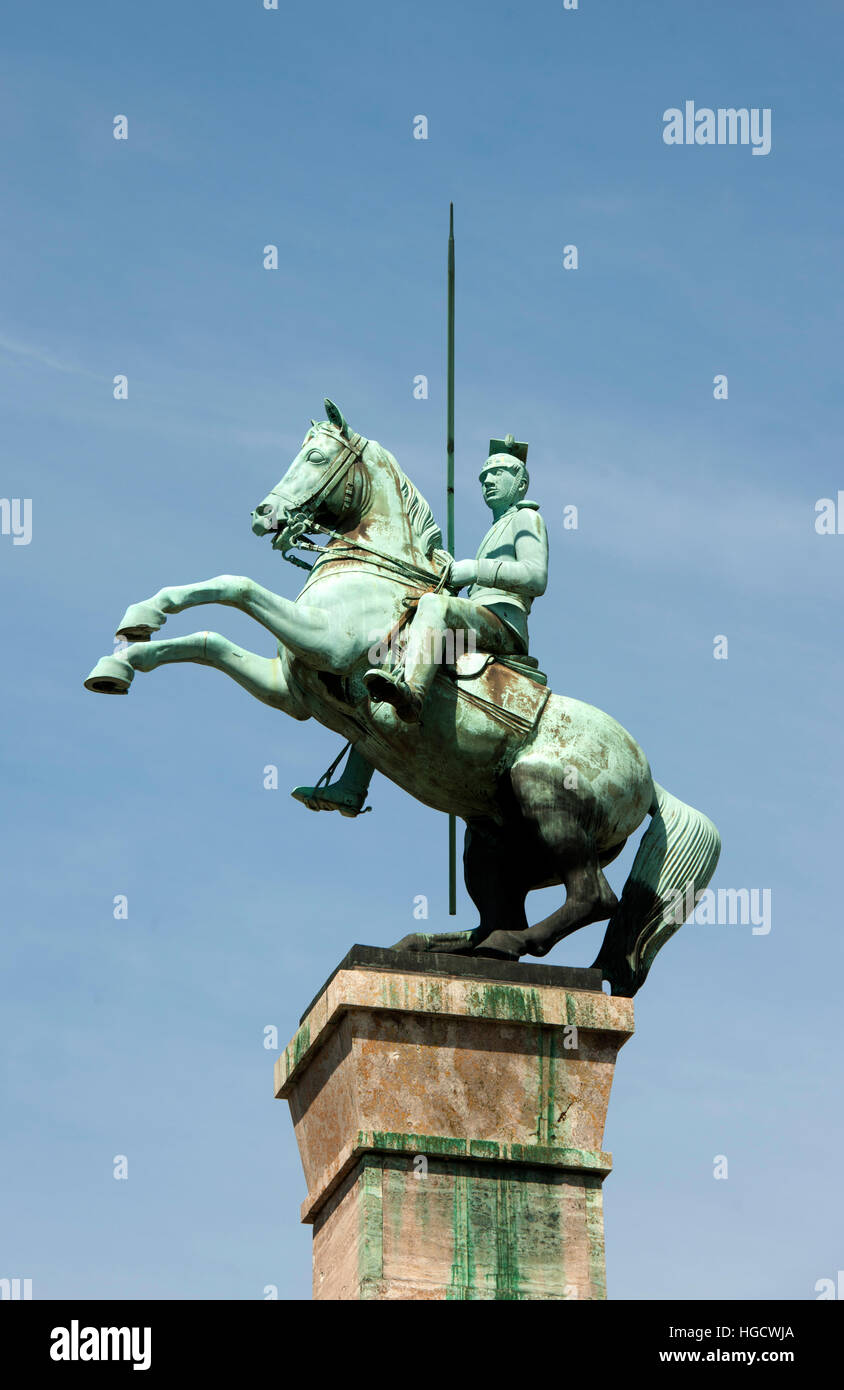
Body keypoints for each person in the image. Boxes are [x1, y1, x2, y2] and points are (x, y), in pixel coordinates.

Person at [291, 435, 548, 816]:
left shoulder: (527, 519)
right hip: (474, 623)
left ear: (520, 482)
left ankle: (411, 693)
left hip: (503, 627)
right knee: (386, 653)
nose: (487, 482)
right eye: (483, 477)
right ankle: (352, 785)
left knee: (432, 607)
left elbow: (535, 576)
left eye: (497, 474)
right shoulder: (495, 528)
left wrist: (470, 570)